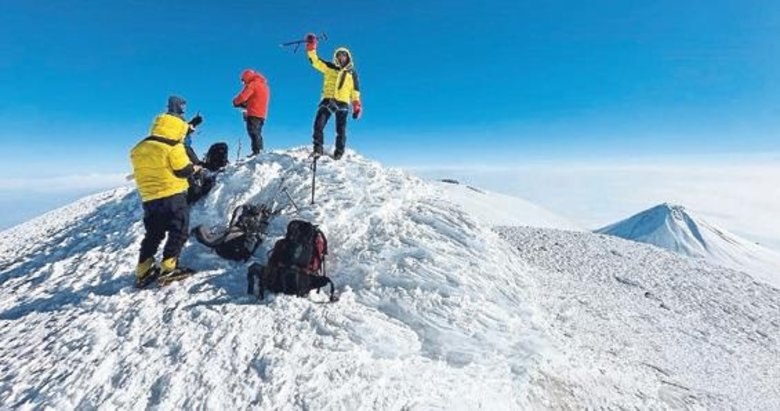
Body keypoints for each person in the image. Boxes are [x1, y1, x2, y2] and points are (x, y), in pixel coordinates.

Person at [130, 96, 202, 287]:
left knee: (153, 233)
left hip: (149, 198)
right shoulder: (173, 146)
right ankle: (169, 268)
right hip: (172, 196)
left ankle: (143, 270)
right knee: (179, 230)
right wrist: (194, 169)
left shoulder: (139, 147)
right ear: (177, 128)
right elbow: (183, 171)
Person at [304, 33, 362, 160]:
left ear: (348, 57)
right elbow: (315, 61)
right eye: (339, 55)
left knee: (341, 130)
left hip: (343, 103)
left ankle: (339, 153)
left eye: (344, 55)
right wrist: (311, 46)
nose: (341, 57)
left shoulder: (352, 74)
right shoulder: (329, 67)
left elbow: (355, 92)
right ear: (336, 57)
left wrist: (356, 106)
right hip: (328, 100)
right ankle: (318, 150)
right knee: (318, 125)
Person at [232, 69, 270, 156]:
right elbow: (256, 99)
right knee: (257, 132)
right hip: (262, 114)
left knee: (253, 132)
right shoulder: (264, 86)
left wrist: (235, 102)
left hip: (254, 112)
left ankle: (257, 152)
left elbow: (243, 96)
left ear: (246, 77)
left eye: (243, 80)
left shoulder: (253, 84)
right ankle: (258, 151)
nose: (244, 83)